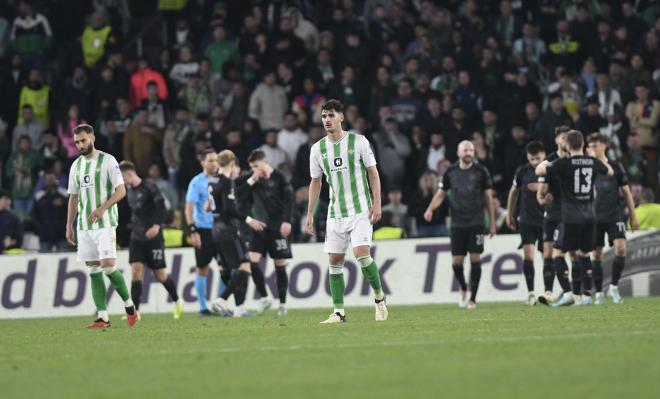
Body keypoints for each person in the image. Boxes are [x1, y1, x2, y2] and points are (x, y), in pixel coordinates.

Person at [306, 99, 389, 323]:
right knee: (334, 260)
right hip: (335, 213)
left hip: (361, 209)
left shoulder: (359, 141)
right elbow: (316, 183)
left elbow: (373, 173)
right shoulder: (317, 149)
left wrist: (377, 202)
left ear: (341, 117)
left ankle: (380, 298)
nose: (327, 120)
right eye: (324, 116)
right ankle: (339, 312)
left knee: (362, 254)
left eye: (331, 115)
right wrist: (310, 214)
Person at [65, 124, 137, 328]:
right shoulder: (76, 166)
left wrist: (102, 208)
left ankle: (130, 307)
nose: (80, 145)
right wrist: (69, 225)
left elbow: (121, 191)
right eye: (77, 142)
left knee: (107, 266)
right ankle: (103, 317)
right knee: (94, 269)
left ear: (93, 138)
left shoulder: (108, 160)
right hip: (84, 226)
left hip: (105, 223)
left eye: (83, 140)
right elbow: (73, 198)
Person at [535, 130, 613, 308]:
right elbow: (609, 171)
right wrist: (595, 158)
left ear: (568, 146)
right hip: (590, 216)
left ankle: (568, 293)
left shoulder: (563, 164)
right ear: (583, 144)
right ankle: (586, 295)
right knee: (583, 254)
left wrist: (548, 161)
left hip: (570, 216)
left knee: (558, 254)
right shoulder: (592, 162)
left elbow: (539, 169)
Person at [424, 140, 496, 309]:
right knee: (456, 263)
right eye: (465, 150)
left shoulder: (481, 171)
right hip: (457, 223)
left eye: (471, 150)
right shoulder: (450, 172)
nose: (468, 153)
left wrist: (492, 222)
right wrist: (430, 209)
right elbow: (441, 194)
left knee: (475, 258)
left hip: (476, 221)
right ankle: (463, 287)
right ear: (458, 153)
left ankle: (473, 298)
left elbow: (489, 198)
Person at [120, 161, 183, 320]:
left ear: (128, 174)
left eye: (121, 176)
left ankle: (178, 301)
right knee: (136, 271)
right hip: (137, 237)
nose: (121, 180)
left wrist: (156, 226)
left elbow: (162, 208)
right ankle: (135, 312)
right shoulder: (128, 191)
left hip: (153, 238)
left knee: (160, 274)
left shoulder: (150, 187)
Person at [209, 150, 267, 318]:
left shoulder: (212, 182)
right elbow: (229, 209)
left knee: (237, 269)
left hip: (216, 229)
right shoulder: (227, 182)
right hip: (228, 230)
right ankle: (221, 300)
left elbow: (212, 205)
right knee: (245, 266)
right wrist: (250, 220)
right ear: (232, 163)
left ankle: (239, 309)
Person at [240, 149, 295, 316]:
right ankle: (264, 297)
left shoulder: (280, 178)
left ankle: (283, 305)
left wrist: (287, 221)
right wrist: (251, 180)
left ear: (265, 162)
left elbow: (289, 200)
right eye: (252, 167)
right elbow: (237, 194)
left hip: (278, 229)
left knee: (279, 267)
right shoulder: (253, 179)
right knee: (252, 263)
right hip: (260, 229)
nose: (254, 170)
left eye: (256, 166)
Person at [586, 133, 639, 305]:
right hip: (595, 217)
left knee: (621, 248)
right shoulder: (589, 168)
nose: (592, 148)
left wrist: (633, 215)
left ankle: (614, 287)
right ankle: (599, 292)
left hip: (614, 215)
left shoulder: (616, 167)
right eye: (590, 146)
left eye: (595, 145)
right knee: (597, 254)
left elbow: (627, 193)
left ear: (605, 145)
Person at [506, 141, 546, 305]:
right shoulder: (522, 171)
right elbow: (513, 192)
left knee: (547, 258)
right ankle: (531, 294)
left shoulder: (551, 170)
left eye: (537, 158)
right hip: (527, 220)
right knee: (528, 257)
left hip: (547, 220)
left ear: (544, 154)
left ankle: (547, 292)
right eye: (531, 159)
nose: (535, 162)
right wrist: (509, 214)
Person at [535, 125, 570, 306]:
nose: (565, 141)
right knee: (548, 253)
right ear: (556, 140)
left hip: (570, 214)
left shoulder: (576, 159)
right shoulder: (549, 161)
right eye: (562, 138)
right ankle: (549, 292)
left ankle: (573, 291)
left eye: (568, 138)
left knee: (572, 254)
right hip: (552, 212)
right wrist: (544, 197)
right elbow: (540, 194)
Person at [184, 149, 219, 316]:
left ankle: (220, 303)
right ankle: (203, 307)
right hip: (203, 230)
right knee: (202, 268)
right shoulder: (196, 182)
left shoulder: (222, 179)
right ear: (203, 162)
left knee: (227, 267)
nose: (214, 163)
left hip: (221, 229)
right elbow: (189, 209)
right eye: (210, 160)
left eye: (216, 160)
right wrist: (193, 230)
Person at [32, 170, 68, 252]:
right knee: (43, 259)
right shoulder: (39, 195)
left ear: (56, 179)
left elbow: (74, 209)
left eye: (52, 178)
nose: (50, 181)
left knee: (64, 256)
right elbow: (34, 214)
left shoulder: (64, 193)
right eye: (47, 179)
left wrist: (63, 204)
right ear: (44, 180)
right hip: (45, 234)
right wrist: (40, 228)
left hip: (62, 233)